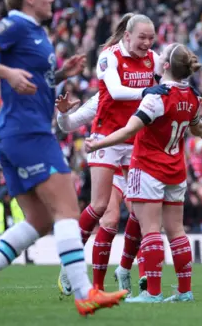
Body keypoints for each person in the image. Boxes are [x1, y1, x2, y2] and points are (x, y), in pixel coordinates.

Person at [0, 0, 128, 318]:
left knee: (39, 219)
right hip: (28, 132)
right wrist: (6, 73)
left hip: (21, 132)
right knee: (67, 210)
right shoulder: (18, 24)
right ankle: (84, 294)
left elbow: (34, 80)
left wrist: (59, 74)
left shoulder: (35, 31)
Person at [85, 43, 202, 303]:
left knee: (151, 229)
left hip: (148, 169)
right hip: (176, 170)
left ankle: (152, 292)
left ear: (165, 65)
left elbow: (129, 131)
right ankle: (184, 291)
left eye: (162, 55)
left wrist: (99, 143)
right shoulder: (191, 95)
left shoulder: (157, 97)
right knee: (177, 230)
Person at [62, 13, 168, 294]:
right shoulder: (109, 58)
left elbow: (168, 78)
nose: (147, 43)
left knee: (141, 212)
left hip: (135, 142)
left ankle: (135, 274)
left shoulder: (153, 59)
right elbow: (118, 92)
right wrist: (150, 89)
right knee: (99, 207)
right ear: (127, 36)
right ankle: (70, 264)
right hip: (106, 139)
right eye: (142, 37)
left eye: (151, 38)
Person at [55, 92, 146, 294]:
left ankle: (125, 270)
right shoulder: (106, 94)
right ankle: (81, 272)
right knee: (110, 219)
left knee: (141, 216)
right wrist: (63, 114)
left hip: (135, 158)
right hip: (110, 162)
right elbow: (68, 124)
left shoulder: (146, 88)